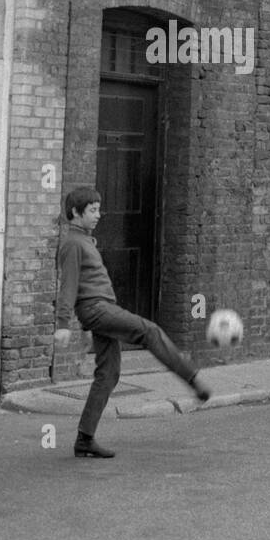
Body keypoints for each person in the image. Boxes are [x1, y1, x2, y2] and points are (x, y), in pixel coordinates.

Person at [55, 186, 209, 458]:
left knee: (108, 374)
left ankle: (84, 439)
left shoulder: (85, 240)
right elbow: (68, 285)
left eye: (99, 209)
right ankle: (192, 377)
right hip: (96, 309)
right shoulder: (73, 244)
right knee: (149, 330)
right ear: (76, 213)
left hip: (102, 309)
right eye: (92, 210)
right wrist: (63, 324)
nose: (99, 215)